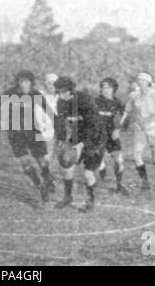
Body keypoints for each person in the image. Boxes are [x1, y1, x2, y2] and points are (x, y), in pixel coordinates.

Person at [1, 70, 56, 202]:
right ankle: (39, 186)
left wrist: (59, 124)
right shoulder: (9, 93)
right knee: (25, 162)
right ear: (18, 83)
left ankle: (47, 178)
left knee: (42, 161)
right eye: (22, 81)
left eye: (28, 81)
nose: (25, 84)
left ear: (32, 83)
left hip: (33, 131)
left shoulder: (35, 94)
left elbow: (49, 111)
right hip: (16, 133)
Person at [53, 76, 105, 212]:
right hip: (78, 135)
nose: (61, 94)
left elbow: (94, 125)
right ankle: (68, 197)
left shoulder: (84, 100)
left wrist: (82, 144)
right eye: (58, 92)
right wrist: (60, 139)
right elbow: (59, 123)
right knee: (66, 168)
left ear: (71, 90)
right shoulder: (61, 102)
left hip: (95, 137)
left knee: (87, 173)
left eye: (63, 91)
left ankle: (91, 201)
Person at [120, 72, 155, 191]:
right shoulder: (133, 95)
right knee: (136, 155)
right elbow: (127, 110)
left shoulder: (154, 94)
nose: (140, 82)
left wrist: (150, 118)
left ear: (149, 82)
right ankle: (145, 182)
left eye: (143, 80)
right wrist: (120, 124)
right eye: (139, 80)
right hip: (140, 129)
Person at [96, 78, 129, 196]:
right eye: (103, 87)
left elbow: (125, 119)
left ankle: (119, 185)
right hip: (98, 135)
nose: (106, 90)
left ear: (114, 89)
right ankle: (101, 166)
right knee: (98, 159)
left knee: (118, 160)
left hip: (111, 134)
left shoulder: (118, 103)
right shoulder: (95, 101)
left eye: (108, 87)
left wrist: (118, 130)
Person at [37, 73, 59, 163]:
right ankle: (46, 173)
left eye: (54, 83)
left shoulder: (61, 95)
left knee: (56, 156)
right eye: (49, 83)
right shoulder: (41, 95)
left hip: (58, 130)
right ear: (46, 84)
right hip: (44, 129)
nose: (52, 86)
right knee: (45, 156)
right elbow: (37, 114)